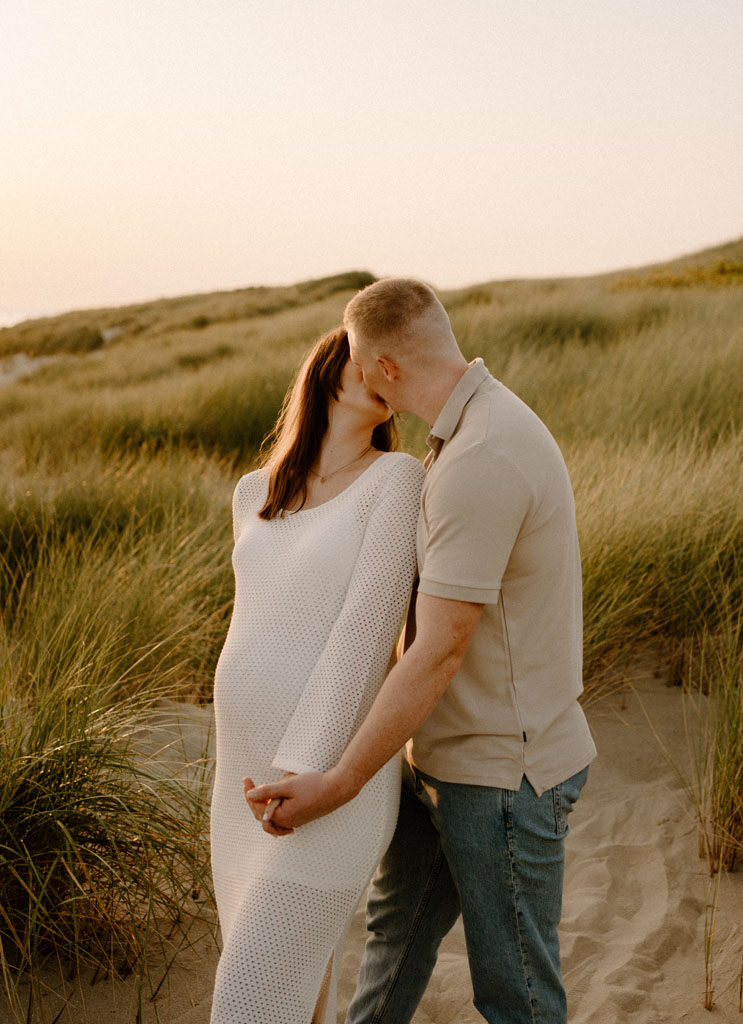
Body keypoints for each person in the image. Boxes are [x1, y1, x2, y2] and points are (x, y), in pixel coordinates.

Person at [247, 278, 598, 1024]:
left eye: (359, 361)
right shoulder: (461, 436)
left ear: (385, 369)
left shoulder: (482, 456)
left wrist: (338, 781)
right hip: (436, 764)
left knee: (517, 996)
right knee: (392, 951)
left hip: (504, 776)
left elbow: (438, 651)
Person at [209, 325, 426, 1024]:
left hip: (321, 779)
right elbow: (252, 623)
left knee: (249, 996)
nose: (386, 374)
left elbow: (365, 637)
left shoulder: (397, 480)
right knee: (297, 992)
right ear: (330, 367)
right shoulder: (253, 493)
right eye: (371, 359)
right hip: (239, 775)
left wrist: (309, 773)